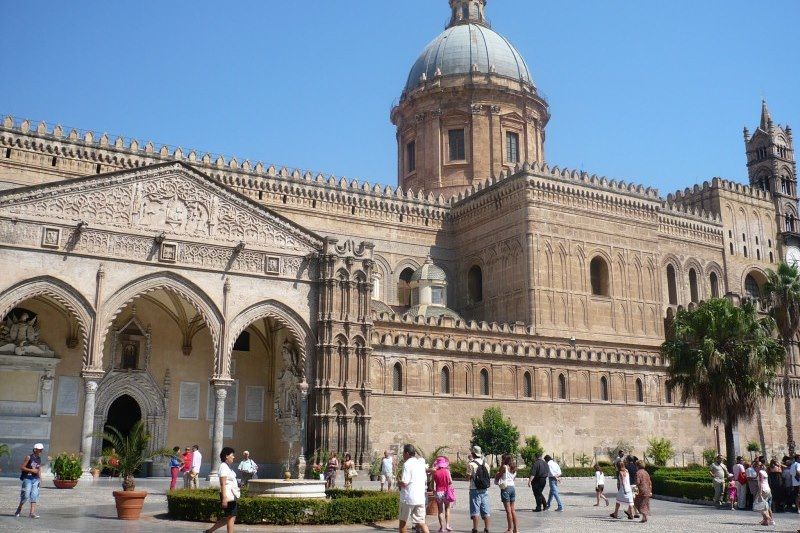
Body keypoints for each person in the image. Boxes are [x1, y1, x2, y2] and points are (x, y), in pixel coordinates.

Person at [204, 446, 240, 533]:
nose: (234, 457)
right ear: (227, 456)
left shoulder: (227, 467)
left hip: (231, 495)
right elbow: (222, 483)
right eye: (232, 455)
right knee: (231, 517)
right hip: (227, 495)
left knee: (228, 517)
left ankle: (209, 531)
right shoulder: (223, 466)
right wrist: (224, 498)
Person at [398, 444, 430, 533]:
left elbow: (404, 482)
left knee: (402, 523)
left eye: (403, 453)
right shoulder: (420, 463)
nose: (403, 455)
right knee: (421, 523)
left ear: (407, 453)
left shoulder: (407, 464)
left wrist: (398, 482)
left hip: (408, 498)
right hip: (420, 498)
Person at [14, 443, 44, 519]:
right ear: (35, 449)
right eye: (40, 450)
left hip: (35, 479)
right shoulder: (29, 457)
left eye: (41, 450)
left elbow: (39, 468)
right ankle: (19, 508)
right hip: (27, 478)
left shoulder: (39, 458)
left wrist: (40, 478)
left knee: (34, 495)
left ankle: (32, 513)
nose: (41, 451)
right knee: (26, 495)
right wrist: (31, 470)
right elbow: (22, 467)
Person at [468, 446, 491, 533]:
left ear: (473, 454)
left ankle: (475, 529)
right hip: (485, 489)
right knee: (486, 510)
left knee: (475, 510)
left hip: (474, 489)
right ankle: (487, 528)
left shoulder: (471, 464)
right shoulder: (486, 464)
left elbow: (468, 477)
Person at [494, 453, 517, 533]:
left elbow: (498, 475)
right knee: (513, 510)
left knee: (508, 511)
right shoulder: (514, 467)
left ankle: (510, 529)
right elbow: (513, 478)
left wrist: (497, 474)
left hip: (506, 488)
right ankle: (516, 529)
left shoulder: (504, 467)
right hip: (512, 488)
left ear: (504, 459)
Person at [432, 455, 454, 533]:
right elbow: (450, 481)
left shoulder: (435, 472)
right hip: (446, 492)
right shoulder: (447, 471)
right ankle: (447, 525)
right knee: (447, 509)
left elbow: (432, 484)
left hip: (438, 492)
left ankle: (442, 528)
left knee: (440, 510)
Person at [754, 459, 775, 526]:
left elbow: (760, 483)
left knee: (758, 505)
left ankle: (769, 519)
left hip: (763, 490)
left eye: (755, 466)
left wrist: (759, 493)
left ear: (757, 467)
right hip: (768, 489)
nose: (754, 468)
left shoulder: (760, 472)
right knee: (765, 506)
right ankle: (766, 521)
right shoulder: (764, 472)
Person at [633, 459, 652, 524]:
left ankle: (644, 515)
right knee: (645, 504)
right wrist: (650, 490)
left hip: (642, 490)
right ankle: (644, 517)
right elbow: (650, 482)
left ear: (637, 465)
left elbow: (638, 482)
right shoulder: (646, 472)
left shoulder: (638, 473)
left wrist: (635, 486)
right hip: (648, 490)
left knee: (637, 502)